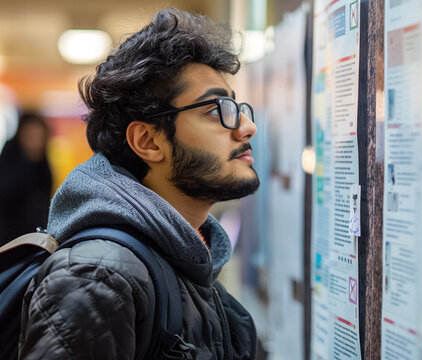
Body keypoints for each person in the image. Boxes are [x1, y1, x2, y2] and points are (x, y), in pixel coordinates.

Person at [18, 8, 261, 359]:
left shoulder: (185, 265)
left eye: (237, 106)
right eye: (216, 109)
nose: (245, 126)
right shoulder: (98, 276)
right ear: (148, 141)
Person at [0, 113, 52, 246]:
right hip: (9, 238)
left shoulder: (43, 163)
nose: (36, 142)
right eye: (31, 136)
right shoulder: (9, 159)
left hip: (35, 238)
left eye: (39, 137)